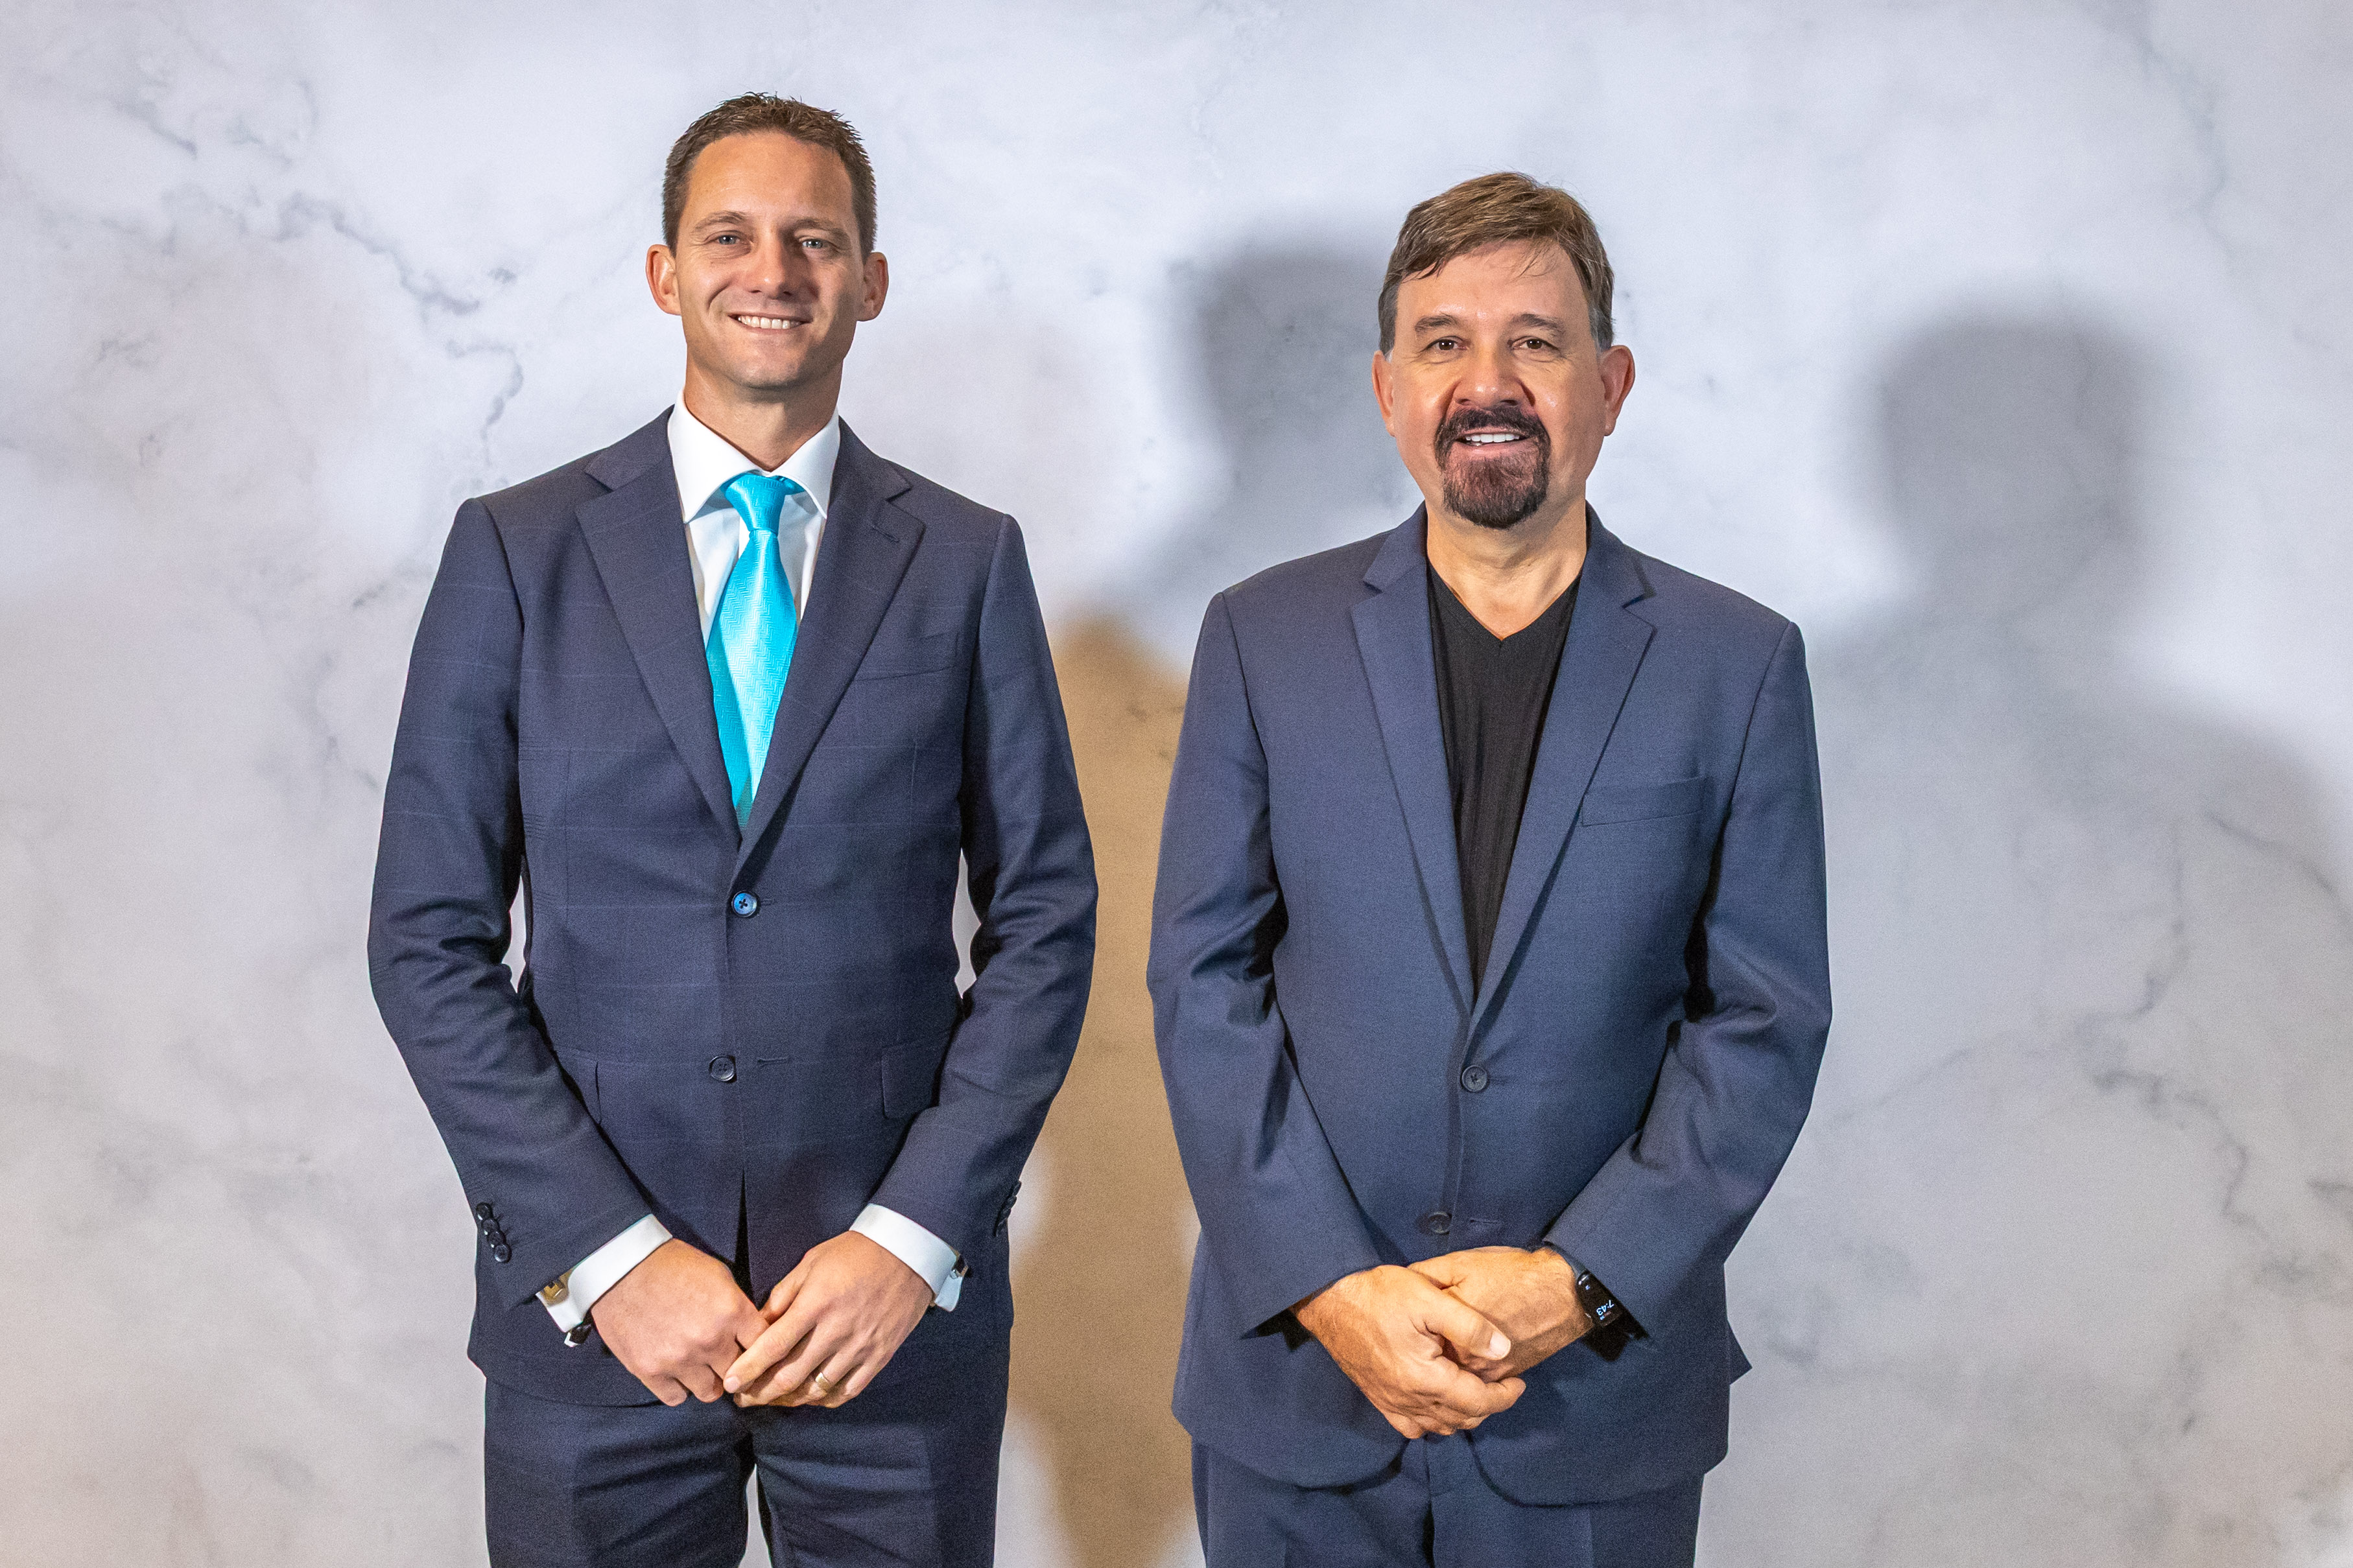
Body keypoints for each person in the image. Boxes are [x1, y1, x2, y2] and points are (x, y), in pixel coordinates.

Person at [368, 94, 1096, 1567]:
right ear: (666, 273)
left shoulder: (966, 560)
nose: (773, 270)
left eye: (814, 240)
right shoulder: (517, 551)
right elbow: (426, 943)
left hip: (885, 1328)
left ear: (869, 281)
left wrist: (909, 1240)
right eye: (730, 236)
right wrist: (611, 1256)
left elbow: (1045, 924)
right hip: (598, 1332)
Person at [1148, 172, 1830, 1566]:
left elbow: (1763, 1023)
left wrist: (1577, 1285)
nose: (1488, 382)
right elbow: (1203, 987)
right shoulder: (1261, 638)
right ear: (1388, 388)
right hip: (1302, 1388)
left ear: (1609, 385)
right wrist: (1333, 1287)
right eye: (1444, 342)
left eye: (1536, 341)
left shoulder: (1737, 664)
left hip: (1590, 1406)